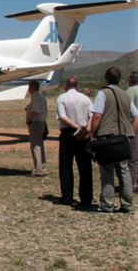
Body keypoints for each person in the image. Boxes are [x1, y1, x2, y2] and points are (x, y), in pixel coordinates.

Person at [90, 67, 138, 213]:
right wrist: (131, 132)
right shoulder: (125, 94)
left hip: (107, 137)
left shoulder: (103, 93)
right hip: (123, 138)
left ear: (106, 78)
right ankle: (127, 204)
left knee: (107, 170)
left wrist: (92, 133)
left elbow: (97, 115)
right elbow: (136, 116)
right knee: (124, 171)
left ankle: (107, 204)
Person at [55, 77, 93, 206]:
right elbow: (92, 116)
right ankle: (86, 198)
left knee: (66, 166)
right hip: (83, 134)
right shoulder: (86, 99)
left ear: (66, 86)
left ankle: (67, 197)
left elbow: (63, 118)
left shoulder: (62, 98)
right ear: (77, 86)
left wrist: (76, 128)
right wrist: (85, 129)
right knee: (85, 167)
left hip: (68, 133)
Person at [25, 80, 48, 177]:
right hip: (42, 122)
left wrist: (29, 118)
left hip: (36, 123)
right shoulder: (42, 96)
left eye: (29, 87)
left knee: (35, 147)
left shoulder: (35, 96)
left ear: (32, 88)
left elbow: (36, 111)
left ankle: (38, 170)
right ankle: (43, 167)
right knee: (40, 145)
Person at [126, 71, 138, 193]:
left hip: (134, 126)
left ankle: (131, 184)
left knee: (132, 158)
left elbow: (126, 108)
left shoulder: (130, 91)